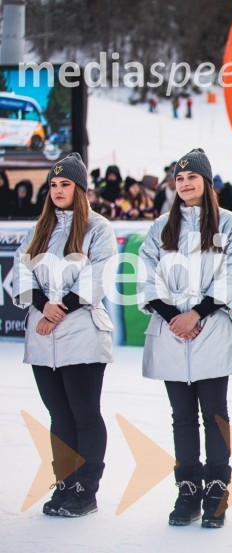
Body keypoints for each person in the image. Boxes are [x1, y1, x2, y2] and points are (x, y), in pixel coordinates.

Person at [138, 148, 232, 528]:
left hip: (211, 333)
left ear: (207, 182)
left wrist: (197, 314)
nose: (185, 184)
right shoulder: (160, 228)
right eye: (180, 178)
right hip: (172, 334)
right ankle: (187, 490)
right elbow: (147, 273)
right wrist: (175, 317)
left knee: (215, 413)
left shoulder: (229, 224)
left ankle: (217, 491)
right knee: (182, 417)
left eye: (193, 177)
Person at [12, 153, 117, 518]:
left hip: (82, 334)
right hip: (43, 339)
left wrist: (61, 308)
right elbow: (19, 276)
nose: (58, 190)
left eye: (65, 184)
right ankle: (66, 483)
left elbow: (99, 275)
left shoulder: (97, 228)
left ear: (80, 189)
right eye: (53, 185)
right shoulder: (37, 229)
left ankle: (85, 489)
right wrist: (43, 304)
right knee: (59, 414)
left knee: (84, 413)